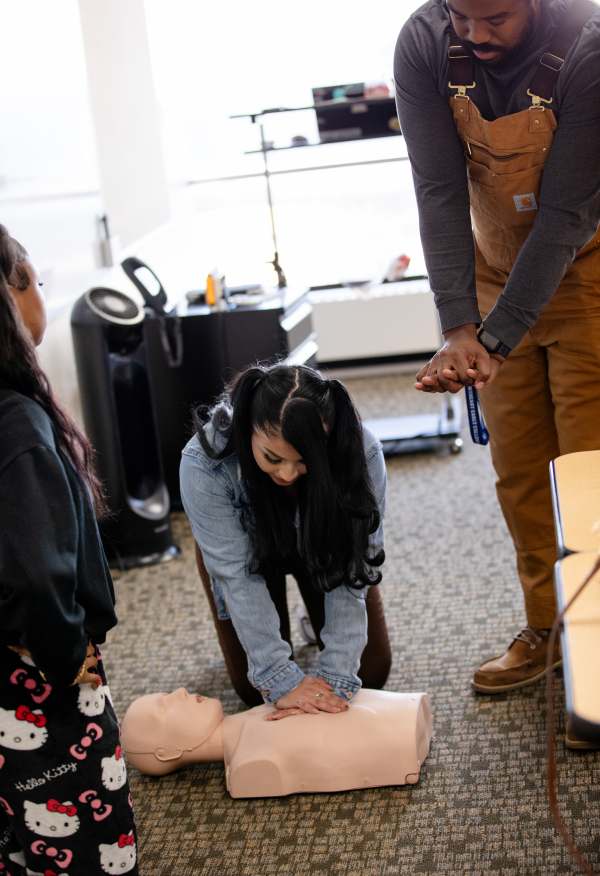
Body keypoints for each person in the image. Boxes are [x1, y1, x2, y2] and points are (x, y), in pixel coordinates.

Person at [394, 0, 600, 705]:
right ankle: (547, 629)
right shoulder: (422, 44)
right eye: (460, 15)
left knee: (588, 473)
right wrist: (458, 327)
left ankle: (599, 643)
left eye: (496, 19)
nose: (474, 35)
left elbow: (569, 214)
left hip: (586, 274)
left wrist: (494, 338)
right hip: (489, 274)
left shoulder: (588, 42)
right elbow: (439, 190)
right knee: (519, 470)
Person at [0, 225, 138, 875]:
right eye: (38, 280)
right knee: (82, 835)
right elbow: (37, 569)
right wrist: (65, 656)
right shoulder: (17, 423)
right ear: (13, 288)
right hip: (41, 671)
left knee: (20, 832)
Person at [180, 364, 391, 715]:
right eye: (273, 458)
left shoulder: (362, 452)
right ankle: (297, 619)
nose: (288, 474)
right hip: (246, 557)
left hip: (324, 547)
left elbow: (356, 562)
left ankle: (312, 616)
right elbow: (236, 576)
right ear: (248, 428)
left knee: (370, 675)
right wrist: (280, 679)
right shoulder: (203, 464)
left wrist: (336, 680)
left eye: (304, 461)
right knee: (254, 691)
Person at [120, 686, 433, 795]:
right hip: (400, 742)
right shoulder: (249, 765)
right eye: (165, 706)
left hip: (403, 714)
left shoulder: (253, 716)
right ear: (167, 752)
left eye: (166, 694)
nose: (180, 693)